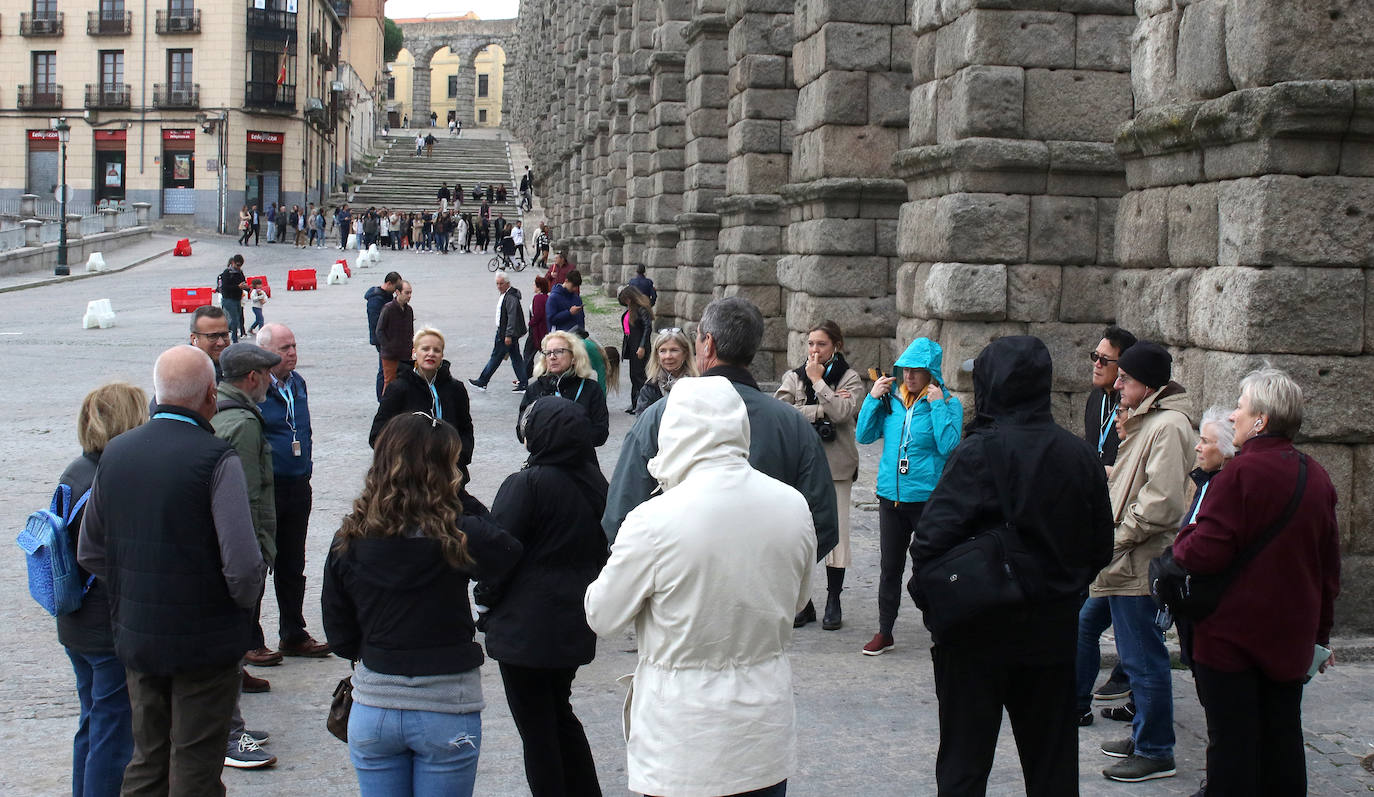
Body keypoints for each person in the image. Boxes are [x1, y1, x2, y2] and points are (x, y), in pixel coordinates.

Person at [585, 377, 816, 797]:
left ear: (675, 430)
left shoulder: (653, 520)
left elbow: (603, 615)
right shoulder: (793, 505)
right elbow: (798, 599)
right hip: (763, 730)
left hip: (682, 738)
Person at [911, 336, 1114, 796]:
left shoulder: (979, 451)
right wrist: (1062, 587)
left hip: (976, 633)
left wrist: (942, 608)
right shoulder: (1079, 454)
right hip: (1051, 633)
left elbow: (928, 543)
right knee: (1052, 769)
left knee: (964, 765)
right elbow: (1101, 544)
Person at [77, 346, 265, 796]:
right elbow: (242, 568)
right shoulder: (216, 458)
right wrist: (237, 610)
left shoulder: (116, 453)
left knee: (147, 759)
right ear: (208, 395)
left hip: (138, 635)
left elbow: (90, 550)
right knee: (195, 764)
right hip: (205, 640)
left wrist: (134, 589)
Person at [321, 413, 522, 797]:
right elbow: (507, 550)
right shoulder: (460, 534)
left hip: (375, 702)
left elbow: (340, 635)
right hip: (446, 706)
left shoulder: (348, 539)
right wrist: (453, 498)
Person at [1173, 369, 1340, 797]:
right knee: (1283, 743)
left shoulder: (1239, 475)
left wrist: (1184, 537)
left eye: (1241, 406)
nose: (1233, 415)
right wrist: (1318, 638)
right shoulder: (1315, 476)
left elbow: (1201, 553)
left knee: (1232, 750)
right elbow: (1327, 570)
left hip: (1232, 639)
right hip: (1289, 639)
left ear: (1261, 420)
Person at [604, 297, 839, 561]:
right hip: (767, 592)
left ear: (708, 344)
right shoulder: (794, 424)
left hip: (681, 588)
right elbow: (823, 525)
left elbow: (620, 519)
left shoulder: (659, 416)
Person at [476, 398, 607, 797]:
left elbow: (498, 550)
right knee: (559, 714)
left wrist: (484, 601)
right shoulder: (596, 482)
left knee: (538, 730)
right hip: (573, 621)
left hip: (525, 629)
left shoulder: (527, 484)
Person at [1087, 341, 1194, 783]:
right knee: (1133, 653)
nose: (1118, 383)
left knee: (1143, 658)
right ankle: (1145, 735)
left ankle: (1156, 750)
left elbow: (1162, 502)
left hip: (1137, 559)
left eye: (1125, 378)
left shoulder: (1167, 426)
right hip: (1124, 558)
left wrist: (1116, 538)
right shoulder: (1150, 421)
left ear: (1146, 383)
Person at [57, 382, 147, 797]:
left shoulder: (77, 470)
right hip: (104, 624)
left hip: (75, 619)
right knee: (113, 732)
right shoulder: (109, 479)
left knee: (92, 723)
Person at [853, 337, 963, 655]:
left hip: (927, 499)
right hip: (891, 497)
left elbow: (950, 447)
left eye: (917, 371)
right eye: (905, 371)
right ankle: (884, 631)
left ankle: (941, 626)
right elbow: (863, 435)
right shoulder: (892, 403)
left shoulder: (948, 403)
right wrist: (873, 399)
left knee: (930, 568)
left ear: (931, 373)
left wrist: (939, 405)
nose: (910, 377)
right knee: (890, 568)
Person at [211, 342, 283, 770]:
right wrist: (258, 552)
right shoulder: (242, 423)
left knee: (233, 644)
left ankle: (230, 723)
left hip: (239, 550)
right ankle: (229, 734)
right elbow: (246, 498)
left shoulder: (230, 413)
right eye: (267, 375)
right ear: (252, 378)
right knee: (231, 642)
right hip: (244, 552)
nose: (272, 382)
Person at [776, 320, 864, 630]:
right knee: (801, 533)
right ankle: (803, 602)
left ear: (836, 346)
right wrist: (821, 408)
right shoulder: (793, 377)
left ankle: (834, 599)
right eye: (811, 344)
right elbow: (781, 412)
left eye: (821, 344)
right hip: (801, 466)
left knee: (836, 536)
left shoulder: (851, 378)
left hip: (837, 465)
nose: (814, 350)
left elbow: (844, 413)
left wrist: (818, 384)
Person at [256, 324, 331, 660]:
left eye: (294, 345)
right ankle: (251, 638)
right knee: (257, 563)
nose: (292, 352)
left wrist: (307, 468)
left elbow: (306, 429)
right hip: (267, 489)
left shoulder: (297, 383)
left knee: (293, 562)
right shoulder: (257, 388)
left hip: (298, 485)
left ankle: (293, 631)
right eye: (284, 347)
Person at [1080, 325, 1139, 719]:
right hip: (1098, 514)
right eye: (1095, 357)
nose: (1097, 364)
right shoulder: (1094, 401)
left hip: (1127, 530)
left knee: (1124, 627)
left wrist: (1107, 472)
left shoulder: (1136, 410)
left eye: (1105, 359)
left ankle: (1127, 681)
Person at [369, 327, 476, 482]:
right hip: (409, 481)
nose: (430, 353)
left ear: (442, 355)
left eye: (436, 350)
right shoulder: (398, 389)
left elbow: (466, 428)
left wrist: (459, 458)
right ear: (414, 353)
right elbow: (378, 435)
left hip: (449, 478)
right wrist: (404, 462)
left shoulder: (455, 389)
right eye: (425, 349)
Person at [517, 330, 609, 448]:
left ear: (574, 357)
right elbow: (521, 432)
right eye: (548, 353)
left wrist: (567, 436)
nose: (552, 357)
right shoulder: (535, 389)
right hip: (543, 461)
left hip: (579, 461)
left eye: (559, 351)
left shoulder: (591, 389)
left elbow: (601, 433)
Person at [468, 272, 529, 393]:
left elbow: (511, 317)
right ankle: (523, 383)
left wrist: (508, 335)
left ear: (507, 284)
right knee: (515, 357)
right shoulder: (506, 295)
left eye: (501, 283)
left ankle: (483, 381)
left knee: (496, 357)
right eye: (497, 284)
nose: (499, 286)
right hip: (506, 332)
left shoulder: (510, 297)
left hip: (505, 333)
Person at [633, 327, 697, 413]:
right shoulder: (650, 389)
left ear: (685, 353)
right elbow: (643, 423)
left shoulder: (698, 384)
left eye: (674, 350)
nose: (668, 356)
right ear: (657, 355)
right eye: (663, 351)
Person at [364, 272, 403, 402]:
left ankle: (387, 396)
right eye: (396, 287)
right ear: (389, 283)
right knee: (384, 370)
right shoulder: (376, 299)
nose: (397, 290)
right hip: (383, 340)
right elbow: (376, 324)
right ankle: (382, 398)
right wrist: (384, 341)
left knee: (388, 368)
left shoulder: (387, 296)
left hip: (389, 338)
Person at [618, 285, 654, 413]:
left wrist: (642, 346)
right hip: (632, 345)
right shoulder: (632, 309)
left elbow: (647, 328)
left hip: (639, 346)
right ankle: (635, 402)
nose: (626, 302)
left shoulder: (641, 309)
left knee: (640, 376)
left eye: (627, 300)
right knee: (634, 375)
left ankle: (642, 403)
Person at [375, 280, 415, 394]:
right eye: (407, 293)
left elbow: (410, 331)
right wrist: (389, 346)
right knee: (390, 383)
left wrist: (411, 347)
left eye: (410, 293)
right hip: (390, 355)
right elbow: (379, 331)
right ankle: (386, 408)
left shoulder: (409, 310)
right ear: (397, 292)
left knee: (406, 381)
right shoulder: (388, 308)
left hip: (405, 355)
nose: (409, 296)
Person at [189, 305, 231, 381]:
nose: (221, 343)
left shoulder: (237, 367)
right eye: (212, 336)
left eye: (224, 335)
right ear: (194, 339)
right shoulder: (184, 375)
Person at [522, 276, 552, 378]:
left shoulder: (538, 298)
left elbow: (538, 315)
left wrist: (531, 323)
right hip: (543, 329)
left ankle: (525, 376)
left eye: (534, 284)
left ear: (539, 287)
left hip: (536, 330)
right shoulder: (546, 297)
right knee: (542, 352)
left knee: (528, 353)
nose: (533, 286)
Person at [216, 255, 248, 343]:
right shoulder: (227, 273)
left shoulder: (239, 272)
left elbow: (243, 281)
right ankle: (234, 339)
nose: (239, 267)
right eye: (237, 265)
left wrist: (246, 286)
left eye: (240, 265)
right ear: (233, 263)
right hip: (228, 299)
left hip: (238, 298)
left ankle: (223, 330)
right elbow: (225, 287)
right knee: (234, 319)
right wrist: (238, 286)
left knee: (237, 319)